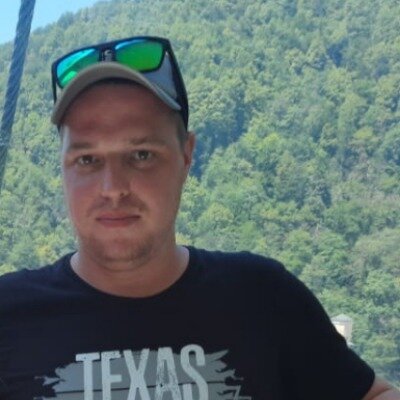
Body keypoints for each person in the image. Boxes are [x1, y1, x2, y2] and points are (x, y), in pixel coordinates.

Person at [0, 35, 399, 400]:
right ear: (62, 167)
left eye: (141, 155)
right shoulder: (9, 313)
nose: (113, 187)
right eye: (87, 159)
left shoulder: (262, 296)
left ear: (187, 156)